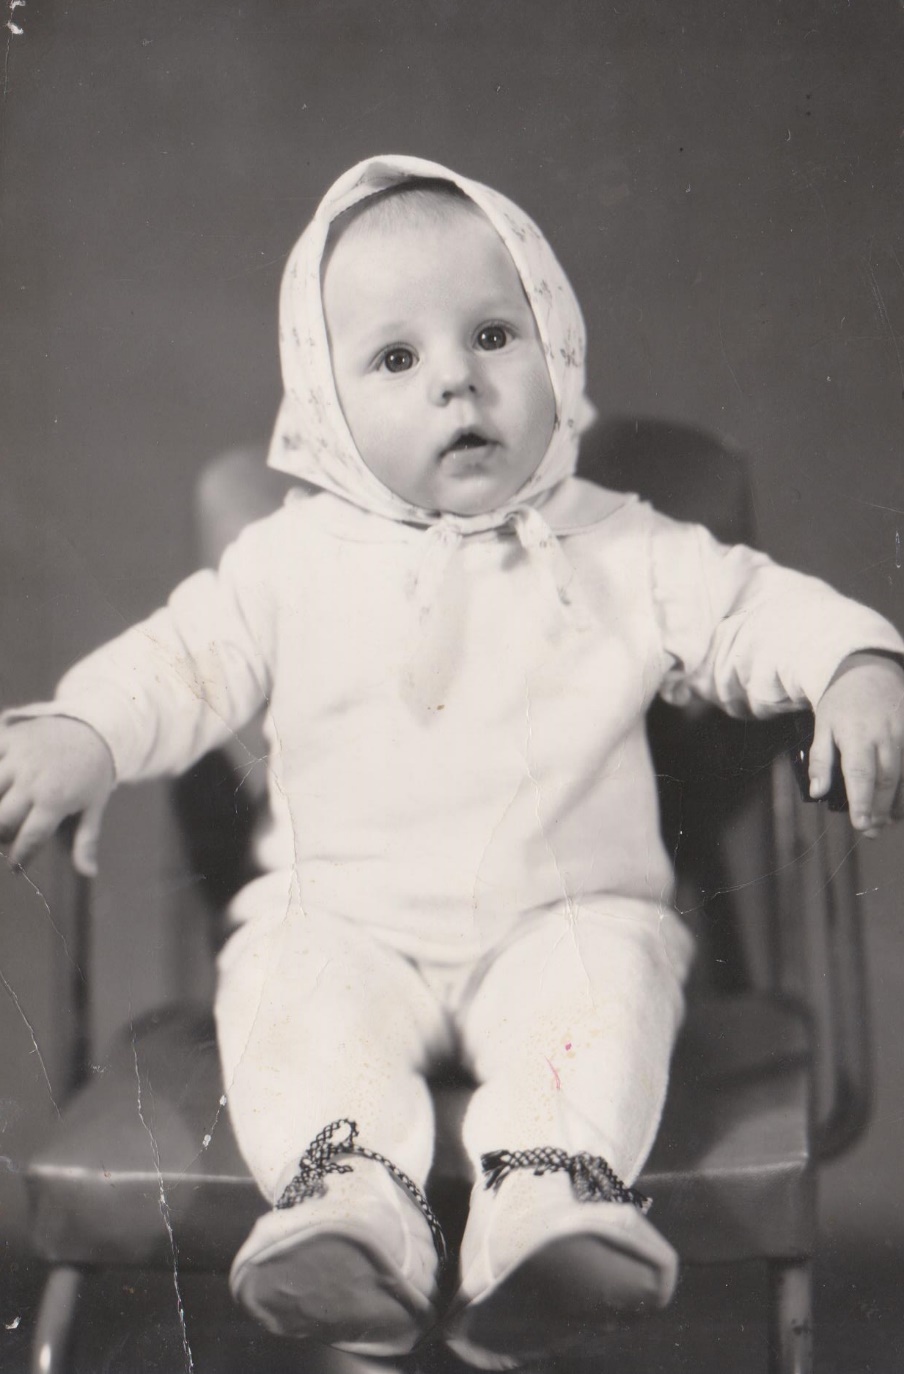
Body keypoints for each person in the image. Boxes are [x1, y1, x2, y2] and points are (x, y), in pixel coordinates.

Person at [1, 154, 903, 1371]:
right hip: (346, 921)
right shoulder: (291, 562)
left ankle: (547, 1210)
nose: (457, 383)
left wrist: (850, 661)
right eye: (395, 359)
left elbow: (752, 611)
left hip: (562, 914)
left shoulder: (620, 546)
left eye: (492, 335)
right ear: (323, 400)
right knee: (291, 992)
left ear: (556, 345)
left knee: (603, 991)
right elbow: (175, 663)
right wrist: (86, 729)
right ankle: (349, 1210)